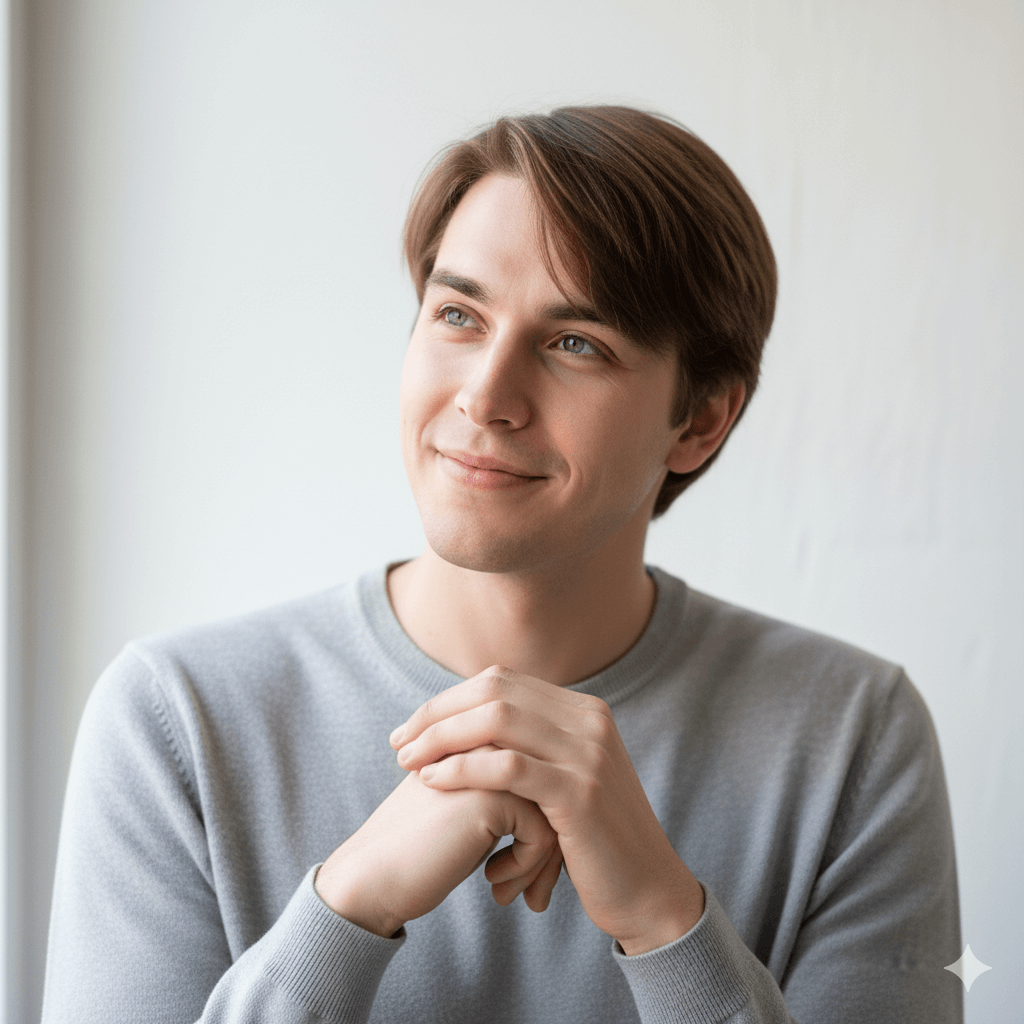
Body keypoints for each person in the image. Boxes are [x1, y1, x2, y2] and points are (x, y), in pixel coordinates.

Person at [41, 106, 963, 1023]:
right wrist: (346, 910)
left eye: (575, 344)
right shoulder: (173, 722)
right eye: (457, 314)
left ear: (701, 420)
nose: (484, 396)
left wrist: (665, 920)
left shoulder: (853, 738)